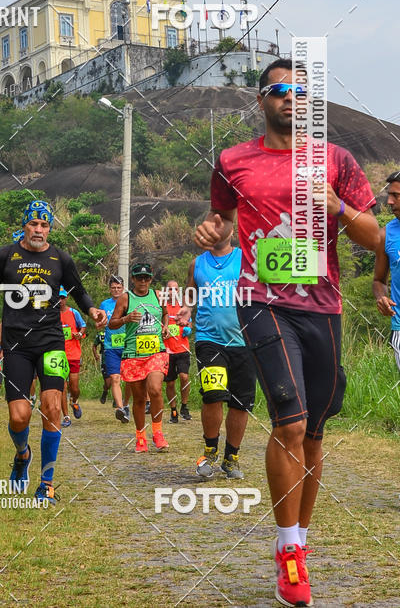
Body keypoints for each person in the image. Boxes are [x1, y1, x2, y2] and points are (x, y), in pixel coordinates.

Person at [195, 58, 378, 608]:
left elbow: (373, 236)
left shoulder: (336, 160)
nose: (290, 98)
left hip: (322, 306)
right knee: (290, 421)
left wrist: (339, 207)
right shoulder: (234, 160)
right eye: (279, 89)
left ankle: (300, 536)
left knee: (314, 432)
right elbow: (221, 222)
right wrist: (211, 232)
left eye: (300, 90)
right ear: (262, 100)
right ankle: (289, 549)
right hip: (262, 300)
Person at [0, 199, 106, 505]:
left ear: (49, 229)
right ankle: (22, 454)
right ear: (24, 226)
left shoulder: (60, 258)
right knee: (19, 416)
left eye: (44, 225)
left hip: (51, 341)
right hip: (16, 344)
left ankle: (46, 484)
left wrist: (91, 310)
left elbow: (77, 290)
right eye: (33, 224)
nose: (38, 229)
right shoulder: (5, 256)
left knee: (52, 408)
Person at [182, 230, 256, 480]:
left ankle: (231, 458)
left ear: (231, 230)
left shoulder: (247, 259)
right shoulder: (197, 263)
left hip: (244, 340)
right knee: (213, 394)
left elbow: (267, 288)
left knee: (240, 403)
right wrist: (186, 309)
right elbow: (190, 294)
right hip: (209, 339)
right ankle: (210, 452)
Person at [109, 260, 170, 452]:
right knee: (139, 398)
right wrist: (126, 318)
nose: (143, 281)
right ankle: (140, 437)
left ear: (151, 279)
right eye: (139, 277)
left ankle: (158, 433)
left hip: (156, 352)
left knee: (155, 389)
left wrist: (165, 326)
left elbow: (166, 314)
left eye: (146, 278)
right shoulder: (125, 299)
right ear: (133, 279)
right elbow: (112, 323)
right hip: (133, 354)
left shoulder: (158, 295)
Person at [373, 170, 400, 372]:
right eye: (389, 195)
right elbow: (379, 280)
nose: (389, 201)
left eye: (396, 196)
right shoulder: (386, 234)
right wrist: (381, 297)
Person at [99, 275, 131, 423]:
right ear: (109, 289)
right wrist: (99, 324)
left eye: (119, 288)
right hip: (111, 346)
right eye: (113, 288)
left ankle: (126, 403)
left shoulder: (129, 301)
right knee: (114, 378)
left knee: (130, 379)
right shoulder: (104, 304)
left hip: (128, 345)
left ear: (123, 288)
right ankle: (120, 409)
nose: (116, 290)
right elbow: (100, 322)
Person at [161, 279, 193, 423]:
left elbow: (190, 323)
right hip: (167, 351)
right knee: (170, 383)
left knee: (184, 377)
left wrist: (188, 328)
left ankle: (184, 406)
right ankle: (173, 411)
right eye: (170, 289)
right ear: (165, 291)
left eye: (175, 289)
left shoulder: (182, 306)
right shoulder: (162, 307)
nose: (172, 292)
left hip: (182, 348)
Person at [59, 286, 87, 426]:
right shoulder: (51, 314)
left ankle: (74, 401)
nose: (60, 300)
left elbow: (83, 326)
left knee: (74, 387)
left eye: (62, 297)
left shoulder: (73, 313)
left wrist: (79, 334)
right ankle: (66, 417)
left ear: (67, 298)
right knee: (62, 387)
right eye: (58, 297)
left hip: (73, 354)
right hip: (58, 355)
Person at [92, 328, 111, 403]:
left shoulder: (118, 331)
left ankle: (116, 400)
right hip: (105, 360)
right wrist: (96, 355)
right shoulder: (101, 334)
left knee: (115, 379)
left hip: (116, 359)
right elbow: (94, 346)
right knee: (108, 383)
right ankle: (105, 392)